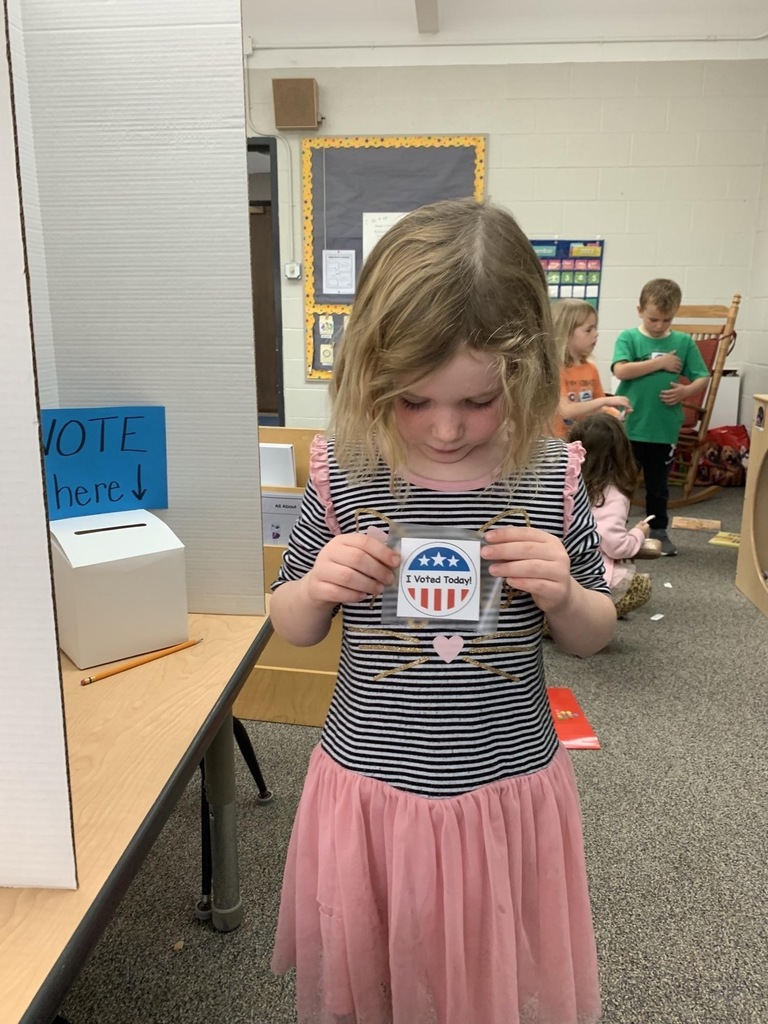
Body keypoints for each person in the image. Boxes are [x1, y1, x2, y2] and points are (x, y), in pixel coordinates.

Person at [269, 198, 616, 1024]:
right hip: (371, 790)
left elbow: (594, 633)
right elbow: (290, 622)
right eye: (414, 401)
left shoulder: (548, 475)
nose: (448, 429)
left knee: (485, 971)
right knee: (375, 967)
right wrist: (317, 584)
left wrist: (564, 591)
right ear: (370, 378)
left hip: (503, 790)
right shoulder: (346, 470)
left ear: (528, 374)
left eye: (479, 401)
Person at [612, 278, 710, 555]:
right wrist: (660, 363)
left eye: (666, 320)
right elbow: (621, 371)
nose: (659, 326)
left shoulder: (682, 342)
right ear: (639, 310)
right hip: (630, 426)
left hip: (663, 428)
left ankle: (658, 531)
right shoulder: (629, 337)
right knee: (621, 483)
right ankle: (616, 531)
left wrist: (686, 391)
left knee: (658, 486)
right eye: (654, 319)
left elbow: (703, 375)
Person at [568, 413, 658, 618]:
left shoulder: (561, 480)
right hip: (586, 576)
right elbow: (615, 545)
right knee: (640, 586)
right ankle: (584, 614)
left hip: (550, 569)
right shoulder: (612, 493)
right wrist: (639, 533)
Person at [552, 297, 631, 438]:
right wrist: (607, 401)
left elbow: (597, 408)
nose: (596, 334)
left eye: (595, 328)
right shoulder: (556, 370)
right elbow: (566, 410)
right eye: (588, 330)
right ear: (566, 334)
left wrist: (612, 413)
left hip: (583, 439)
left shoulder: (591, 369)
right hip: (559, 442)